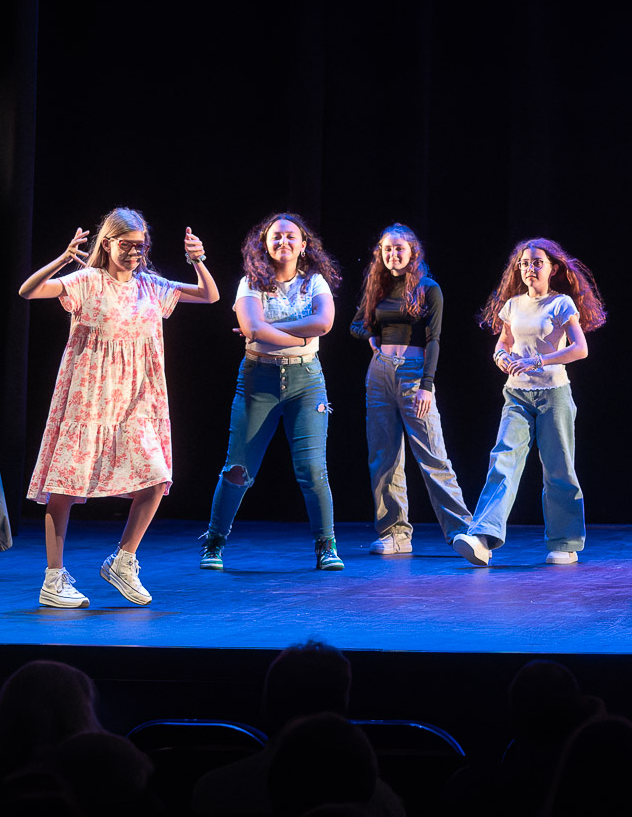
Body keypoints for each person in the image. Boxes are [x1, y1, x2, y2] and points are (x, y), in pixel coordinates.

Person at [20, 208, 219, 607]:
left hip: (138, 400)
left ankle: (124, 560)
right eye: (125, 244)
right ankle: (53, 578)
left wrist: (198, 261)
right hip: (88, 396)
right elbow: (28, 291)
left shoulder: (150, 285)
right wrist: (61, 260)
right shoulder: (88, 281)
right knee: (63, 484)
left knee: (157, 477)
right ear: (107, 243)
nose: (133, 252)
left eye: (139, 245)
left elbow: (209, 295)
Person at [200, 212, 344, 572]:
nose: (283, 242)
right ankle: (214, 542)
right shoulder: (251, 282)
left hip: (307, 381)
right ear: (264, 244)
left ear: (304, 244)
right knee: (237, 469)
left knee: (313, 470)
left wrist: (267, 327)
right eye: (276, 237)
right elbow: (252, 328)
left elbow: (324, 323)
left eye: (291, 237)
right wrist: (294, 334)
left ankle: (326, 546)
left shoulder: (315, 283)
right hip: (257, 379)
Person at [457, 237, 606, 565]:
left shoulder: (562, 303)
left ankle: (565, 542)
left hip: (554, 395)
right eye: (524, 263)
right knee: (503, 461)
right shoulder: (513, 304)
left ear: (553, 268)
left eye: (537, 262)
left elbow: (580, 349)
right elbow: (504, 342)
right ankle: (482, 536)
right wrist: (501, 356)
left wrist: (538, 361)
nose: (529, 268)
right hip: (516, 394)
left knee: (558, 469)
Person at [348, 224, 473, 560]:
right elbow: (357, 323)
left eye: (399, 248)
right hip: (379, 374)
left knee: (432, 455)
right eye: (387, 249)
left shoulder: (429, 289)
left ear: (413, 251)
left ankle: (463, 531)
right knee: (384, 456)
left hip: (414, 375)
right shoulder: (378, 286)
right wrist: (371, 336)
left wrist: (427, 387)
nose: (393, 254)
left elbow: (434, 340)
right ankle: (395, 533)